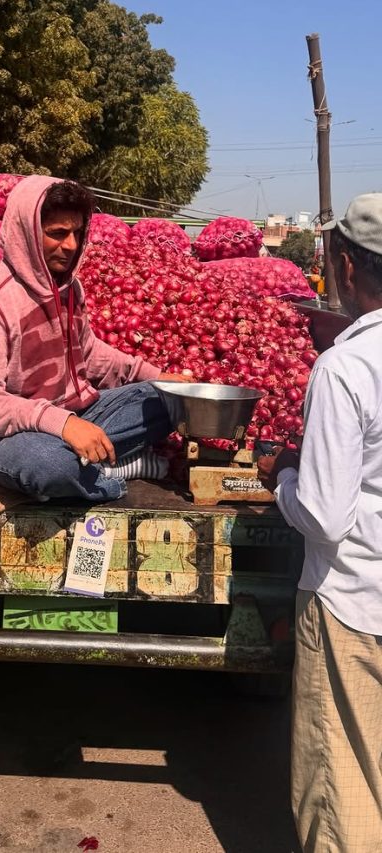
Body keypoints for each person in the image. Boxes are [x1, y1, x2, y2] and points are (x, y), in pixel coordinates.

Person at [257, 193, 382, 851]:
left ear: (343, 266)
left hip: (354, 601)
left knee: (342, 782)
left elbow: (325, 516)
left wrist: (280, 475)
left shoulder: (346, 367)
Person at [0, 175, 188, 502]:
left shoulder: (68, 286)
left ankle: (89, 464)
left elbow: (87, 351)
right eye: (57, 234)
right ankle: (111, 475)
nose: (71, 245)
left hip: (71, 412)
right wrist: (62, 425)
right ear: (28, 233)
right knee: (51, 466)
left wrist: (159, 378)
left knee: (171, 400)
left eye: (77, 233)